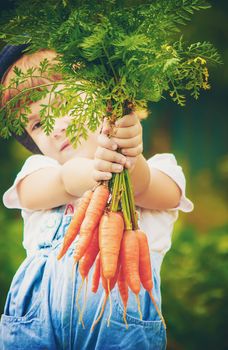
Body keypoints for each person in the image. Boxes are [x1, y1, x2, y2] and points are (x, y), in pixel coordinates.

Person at [0, 45, 194, 350]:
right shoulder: (42, 171)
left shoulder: (156, 169)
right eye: (38, 123)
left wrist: (127, 157)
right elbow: (31, 192)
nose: (55, 126)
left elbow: (153, 189)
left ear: (106, 101)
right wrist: (73, 178)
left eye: (63, 103)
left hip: (119, 333)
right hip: (31, 331)